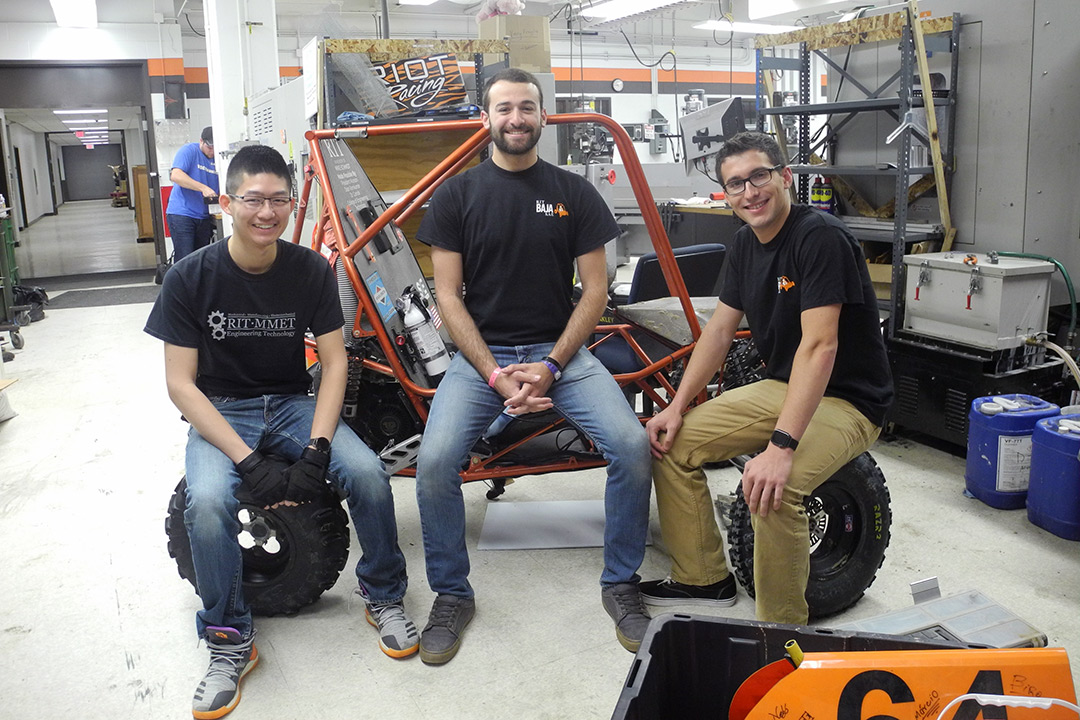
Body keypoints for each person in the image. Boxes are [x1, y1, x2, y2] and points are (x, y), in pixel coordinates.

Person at [145, 145, 416, 720]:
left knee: (367, 473)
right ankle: (228, 640)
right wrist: (247, 462)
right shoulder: (190, 277)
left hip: (293, 403)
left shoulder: (309, 270)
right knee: (210, 502)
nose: (266, 212)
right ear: (226, 204)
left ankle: (384, 593)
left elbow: (337, 363)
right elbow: (180, 385)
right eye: (253, 200)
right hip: (221, 408)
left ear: (292, 204)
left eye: (278, 200)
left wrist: (319, 450)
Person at [413, 68, 653, 664]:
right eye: (504, 108)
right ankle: (450, 593)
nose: (516, 118)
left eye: (526, 107)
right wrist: (495, 373)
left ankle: (621, 582)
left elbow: (595, 293)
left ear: (543, 116)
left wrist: (549, 364)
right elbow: (447, 298)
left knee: (630, 445)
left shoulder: (574, 193)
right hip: (481, 361)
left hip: (562, 353)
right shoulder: (457, 196)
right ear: (485, 119)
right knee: (436, 462)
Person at [641, 131, 893, 625]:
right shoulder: (743, 244)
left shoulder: (819, 237)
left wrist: (779, 449)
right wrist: (676, 406)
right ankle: (703, 578)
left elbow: (821, 346)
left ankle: (780, 634)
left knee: (776, 491)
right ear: (727, 195)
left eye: (759, 176)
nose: (749, 192)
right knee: (672, 444)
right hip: (784, 385)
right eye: (735, 184)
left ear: (783, 176)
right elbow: (717, 333)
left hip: (849, 399)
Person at [167, 126, 219, 262]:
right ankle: (180, 283)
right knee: (185, 260)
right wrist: (203, 188)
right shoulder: (189, 151)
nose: (212, 152)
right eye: (210, 147)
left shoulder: (219, 158)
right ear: (201, 141)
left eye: (216, 148)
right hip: (182, 214)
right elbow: (176, 175)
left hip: (204, 216)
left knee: (201, 259)